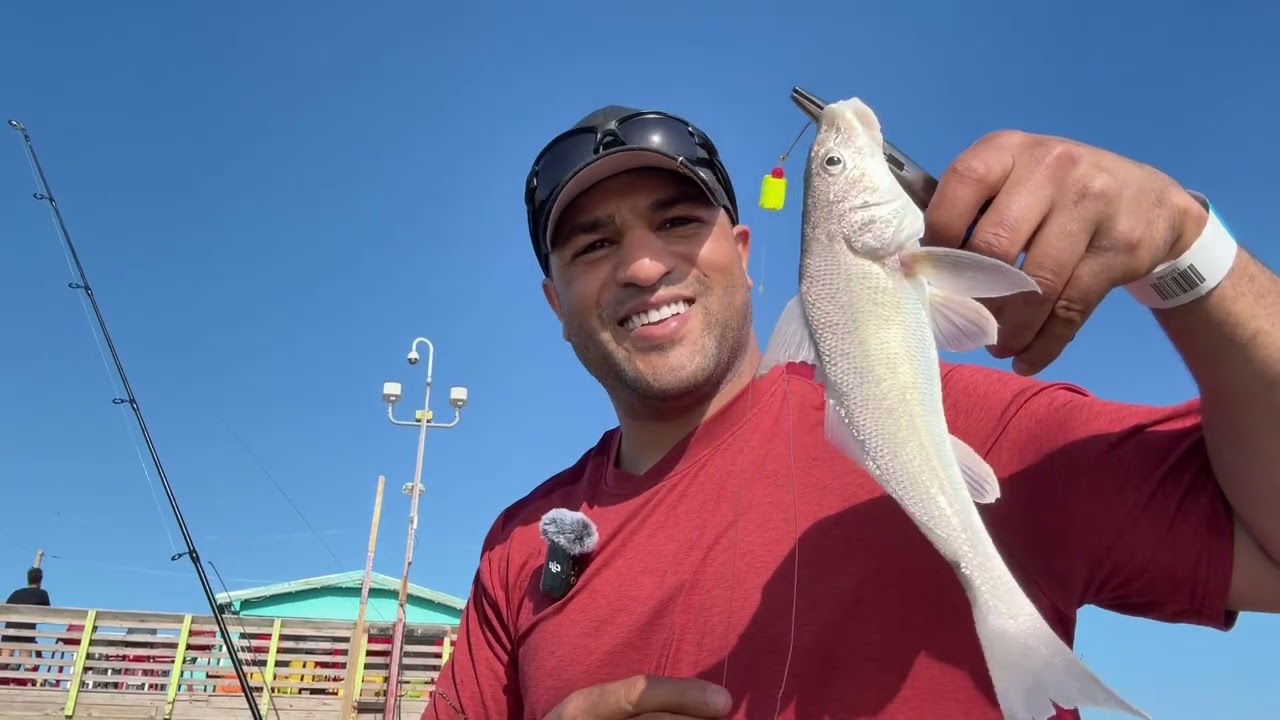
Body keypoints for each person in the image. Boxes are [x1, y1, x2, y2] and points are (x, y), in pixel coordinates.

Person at [423, 103, 1280, 720]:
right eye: (595, 244)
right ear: (554, 303)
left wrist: (1188, 251)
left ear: (746, 253)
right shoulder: (516, 546)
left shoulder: (982, 426)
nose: (645, 267)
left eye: (679, 221)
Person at [3, 567, 51, 673]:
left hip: (10, 628)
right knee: (26, 658)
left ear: (27, 579)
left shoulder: (16, 593)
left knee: (4, 658)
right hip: (27, 630)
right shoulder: (42, 594)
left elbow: (6, 609)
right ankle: (27, 682)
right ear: (41, 579)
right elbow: (47, 613)